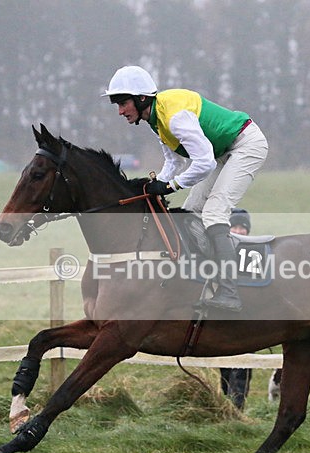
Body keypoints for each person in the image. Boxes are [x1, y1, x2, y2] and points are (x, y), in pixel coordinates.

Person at [103, 66, 269, 312]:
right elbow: (175, 162)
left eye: (122, 103)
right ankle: (202, 280)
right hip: (222, 152)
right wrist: (154, 185)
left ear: (141, 98)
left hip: (246, 146)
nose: (120, 111)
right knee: (190, 213)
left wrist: (170, 186)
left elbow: (204, 163)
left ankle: (230, 292)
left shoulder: (174, 117)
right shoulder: (155, 118)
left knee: (214, 213)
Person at [219, 208, 253, 409]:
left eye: (243, 227)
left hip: (247, 319)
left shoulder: (254, 253)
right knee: (224, 367)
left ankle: (237, 409)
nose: (239, 231)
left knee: (241, 369)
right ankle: (225, 406)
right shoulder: (219, 252)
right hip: (224, 317)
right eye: (235, 227)